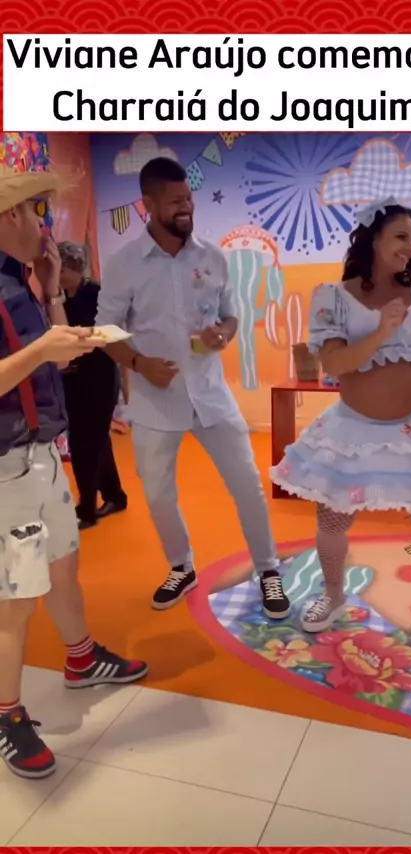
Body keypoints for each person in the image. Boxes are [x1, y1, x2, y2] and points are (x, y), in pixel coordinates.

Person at [271, 197, 411, 658]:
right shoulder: (334, 297)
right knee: (331, 518)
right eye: (401, 236)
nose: (410, 248)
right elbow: (334, 364)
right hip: (354, 431)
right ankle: (333, 595)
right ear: (373, 238)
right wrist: (381, 332)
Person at [0, 165, 147, 780]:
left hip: (41, 455)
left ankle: (81, 659)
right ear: (10, 215)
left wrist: (52, 292)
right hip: (6, 467)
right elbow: (30, 361)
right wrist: (42, 348)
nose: (46, 224)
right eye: (38, 211)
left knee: (63, 566)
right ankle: (6, 715)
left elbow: (48, 366)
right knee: (15, 601)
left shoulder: (21, 280)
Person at [96, 157, 290, 618]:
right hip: (155, 403)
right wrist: (139, 363)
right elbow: (104, 330)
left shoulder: (213, 258)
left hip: (211, 396)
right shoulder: (125, 265)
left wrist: (223, 333)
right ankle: (181, 566)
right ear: (147, 205)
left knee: (248, 485)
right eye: (175, 201)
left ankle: (267, 569)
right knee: (158, 494)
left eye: (189, 198)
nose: (186, 207)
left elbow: (231, 315)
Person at [59, 241, 127, 529]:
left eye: (62, 270)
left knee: (86, 444)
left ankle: (87, 507)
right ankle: (115, 495)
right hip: (72, 379)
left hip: (100, 378)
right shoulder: (60, 299)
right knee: (94, 440)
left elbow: (111, 338)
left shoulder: (97, 294)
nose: (59, 276)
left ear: (76, 268)